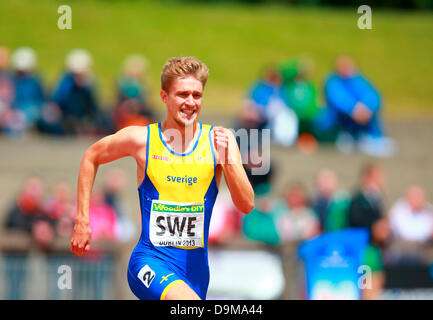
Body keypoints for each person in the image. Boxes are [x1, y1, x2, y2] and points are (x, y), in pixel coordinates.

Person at [70, 56, 254, 300]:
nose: (190, 102)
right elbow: (91, 156)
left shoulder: (220, 140)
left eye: (196, 95)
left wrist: (228, 162)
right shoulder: (142, 140)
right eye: (182, 94)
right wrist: (82, 220)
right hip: (150, 262)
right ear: (164, 97)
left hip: (195, 271)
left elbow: (246, 204)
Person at [324, 56, 396, 157]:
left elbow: (373, 95)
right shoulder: (333, 81)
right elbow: (337, 98)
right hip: (343, 120)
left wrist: (367, 107)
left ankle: (371, 138)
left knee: (369, 116)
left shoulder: (357, 79)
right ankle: (348, 137)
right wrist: (353, 109)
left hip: (363, 117)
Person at [348, 163, 391, 300]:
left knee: (376, 285)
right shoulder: (357, 201)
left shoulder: (377, 200)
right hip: (363, 252)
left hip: (375, 251)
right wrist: (374, 228)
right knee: (365, 287)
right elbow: (355, 221)